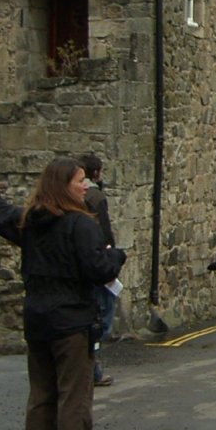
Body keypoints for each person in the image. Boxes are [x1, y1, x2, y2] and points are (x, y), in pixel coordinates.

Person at [0, 158, 124, 430]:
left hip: (37, 319)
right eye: (80, 181)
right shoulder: (81, 225)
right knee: (74, 400)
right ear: (64, 185)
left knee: (41, 396)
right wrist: (117, 256)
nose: (85, 186)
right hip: (72, 323)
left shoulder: (31, 221)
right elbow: (99, 270)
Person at [79, 153, 117, 387]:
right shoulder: (95, 196)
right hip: (98, 264)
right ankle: (93, 370)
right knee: (102, 319)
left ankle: (89, 369)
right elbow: (105, 234)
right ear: (96, 173)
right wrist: (112, 260)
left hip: (83, 266)